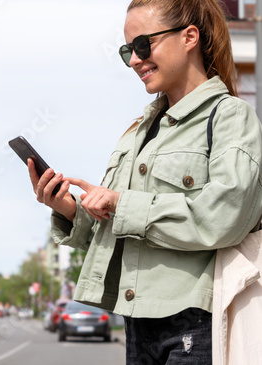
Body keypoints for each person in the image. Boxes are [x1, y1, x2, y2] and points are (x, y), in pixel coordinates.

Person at [26, 0, 262, 364]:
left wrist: (120, 203)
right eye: (127, 51)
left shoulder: (231, 117)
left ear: (189, 37)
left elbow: (223, 219)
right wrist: (69, 209)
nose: (134, 60)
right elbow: (116, 231)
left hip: (197, 324)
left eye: (142, 45)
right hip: (137, 324)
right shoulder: (137, 133)